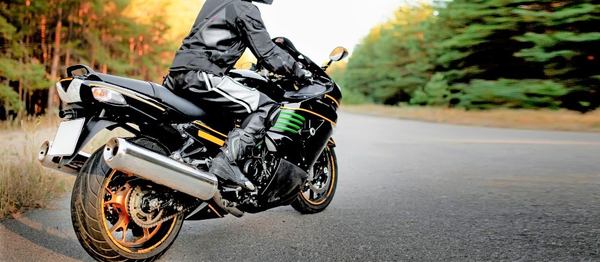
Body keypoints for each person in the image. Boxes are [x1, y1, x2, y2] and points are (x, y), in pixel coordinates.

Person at [163, 0, 311, 191]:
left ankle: (198, 159)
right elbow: (268, 53)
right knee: (265, 106)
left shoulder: (215, 2)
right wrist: (300, 72)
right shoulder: (243, 7)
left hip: (177, 73)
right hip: (202, 74)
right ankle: (226, 162)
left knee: (221, 116)